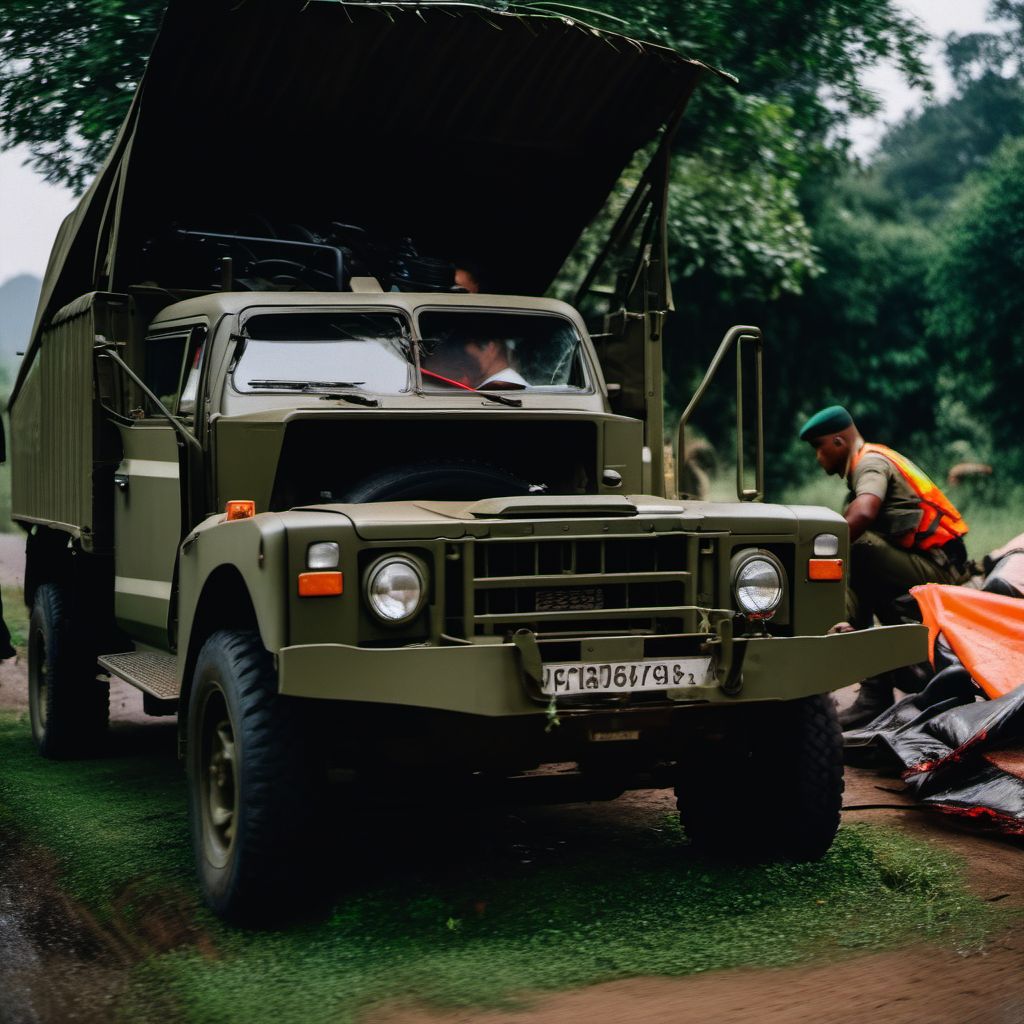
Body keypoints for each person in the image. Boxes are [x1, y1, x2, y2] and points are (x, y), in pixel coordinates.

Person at [800, 405, 970, 727]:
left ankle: (864, 672)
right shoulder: (873, 459)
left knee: (857, 546)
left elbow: (863, 512)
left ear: (838, 441)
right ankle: (872, 686)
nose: (818, 457)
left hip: (939, 569)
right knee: (858, 554)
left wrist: (811, 554)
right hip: (926, 565)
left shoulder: (871, 462)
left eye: (818, 448)